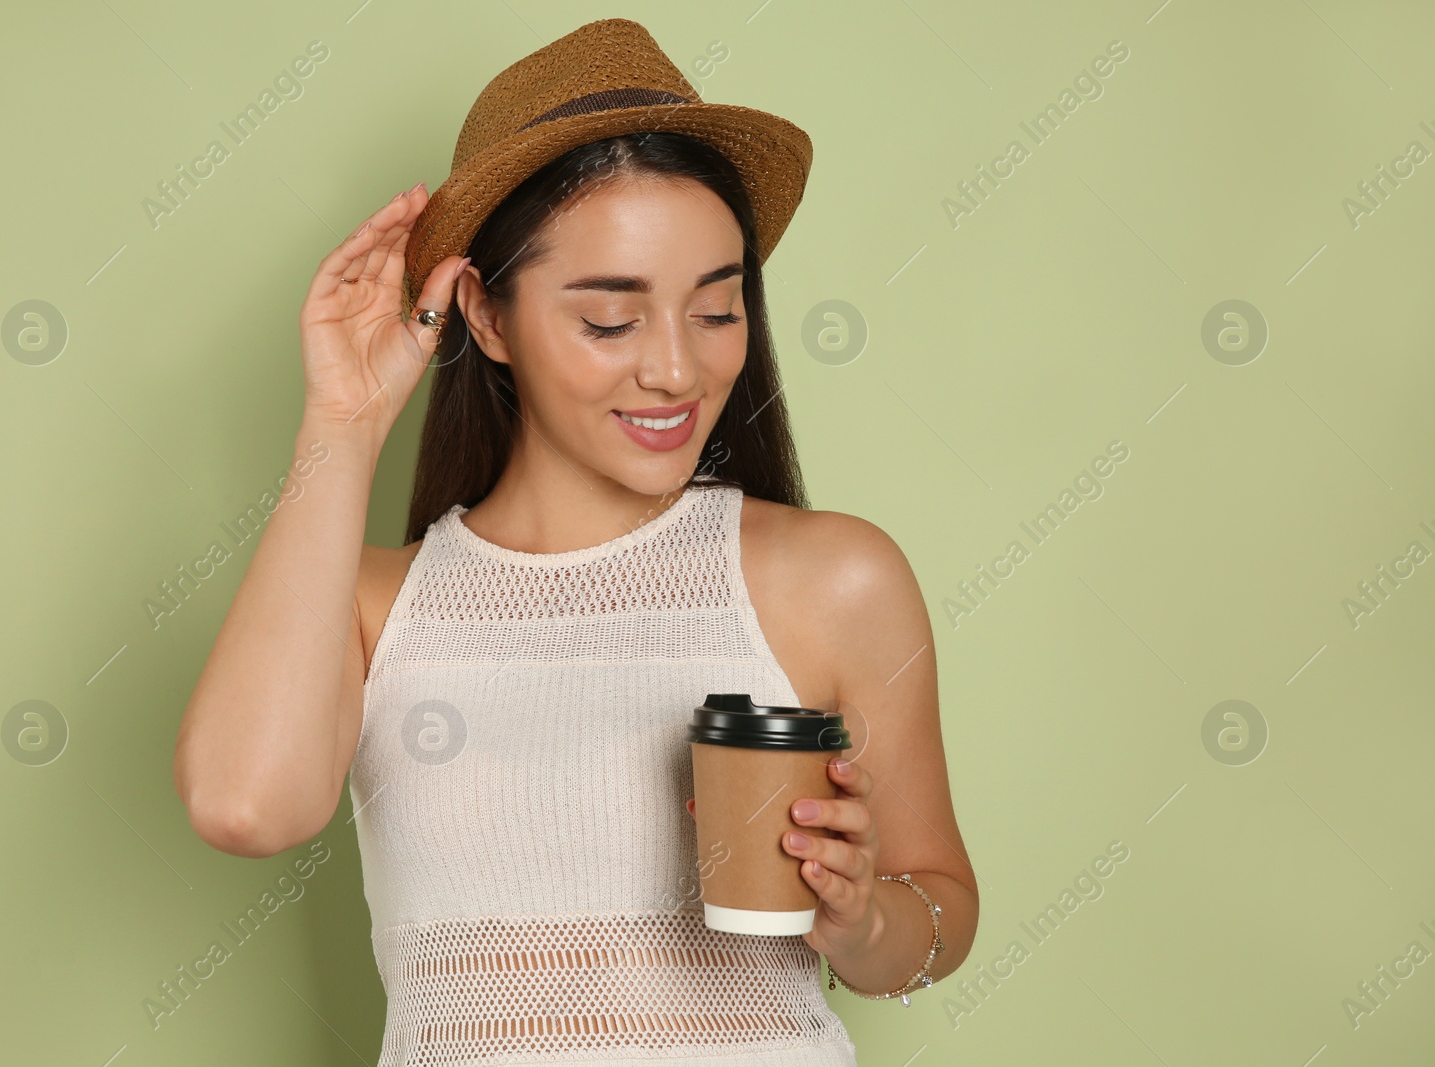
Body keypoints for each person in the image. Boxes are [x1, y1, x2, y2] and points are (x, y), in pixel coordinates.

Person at [174, 17, 977, 1065]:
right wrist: (343, 422)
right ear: (488, 316)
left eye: (718, 309)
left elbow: (938, 905)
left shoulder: (831, 578)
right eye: (611, 321)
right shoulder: (377, 606)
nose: (677, 371)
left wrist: (864, 920)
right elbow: (245, 805)